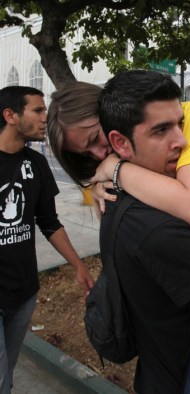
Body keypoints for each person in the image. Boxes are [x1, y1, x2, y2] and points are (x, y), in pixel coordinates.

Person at [48, 75, 190, 393]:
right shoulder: (136, 211)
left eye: (97, 137)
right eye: (87, 152)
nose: (100, 153)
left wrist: (117, 170)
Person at [0, 86, 94, 393]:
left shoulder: (37, 165)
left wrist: (78, 265)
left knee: (7, 375)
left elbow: (49, 222)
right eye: (38, 111)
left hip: (22, 292)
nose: (46, 118)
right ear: (10, 116)